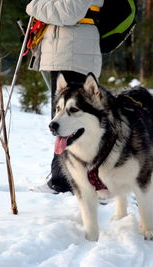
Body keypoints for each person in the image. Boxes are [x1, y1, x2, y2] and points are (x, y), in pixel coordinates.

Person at [25, 0, 104, 193]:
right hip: (67, 53)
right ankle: (74, 178)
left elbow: (69, 13)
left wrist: (33, 6)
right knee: (68, 121)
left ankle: (64, 181)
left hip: (74, 55)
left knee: (69, 123)